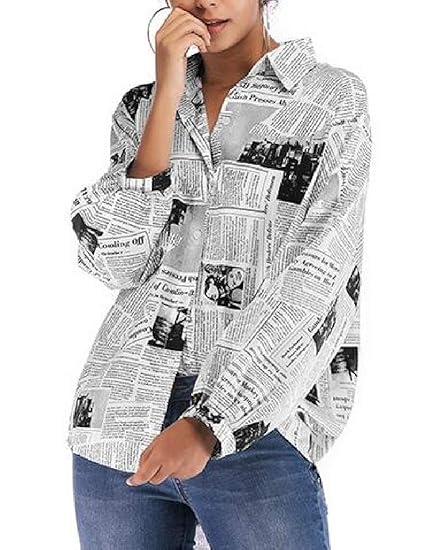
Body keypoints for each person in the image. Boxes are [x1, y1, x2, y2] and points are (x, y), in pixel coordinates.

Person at [69, 1, 372, 548]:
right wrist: (167, 91)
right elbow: (114, 260)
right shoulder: (139, 107)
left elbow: (317, 277)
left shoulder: (331, 99)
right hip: (118, 426)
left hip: (255, 424)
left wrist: (210, 421)